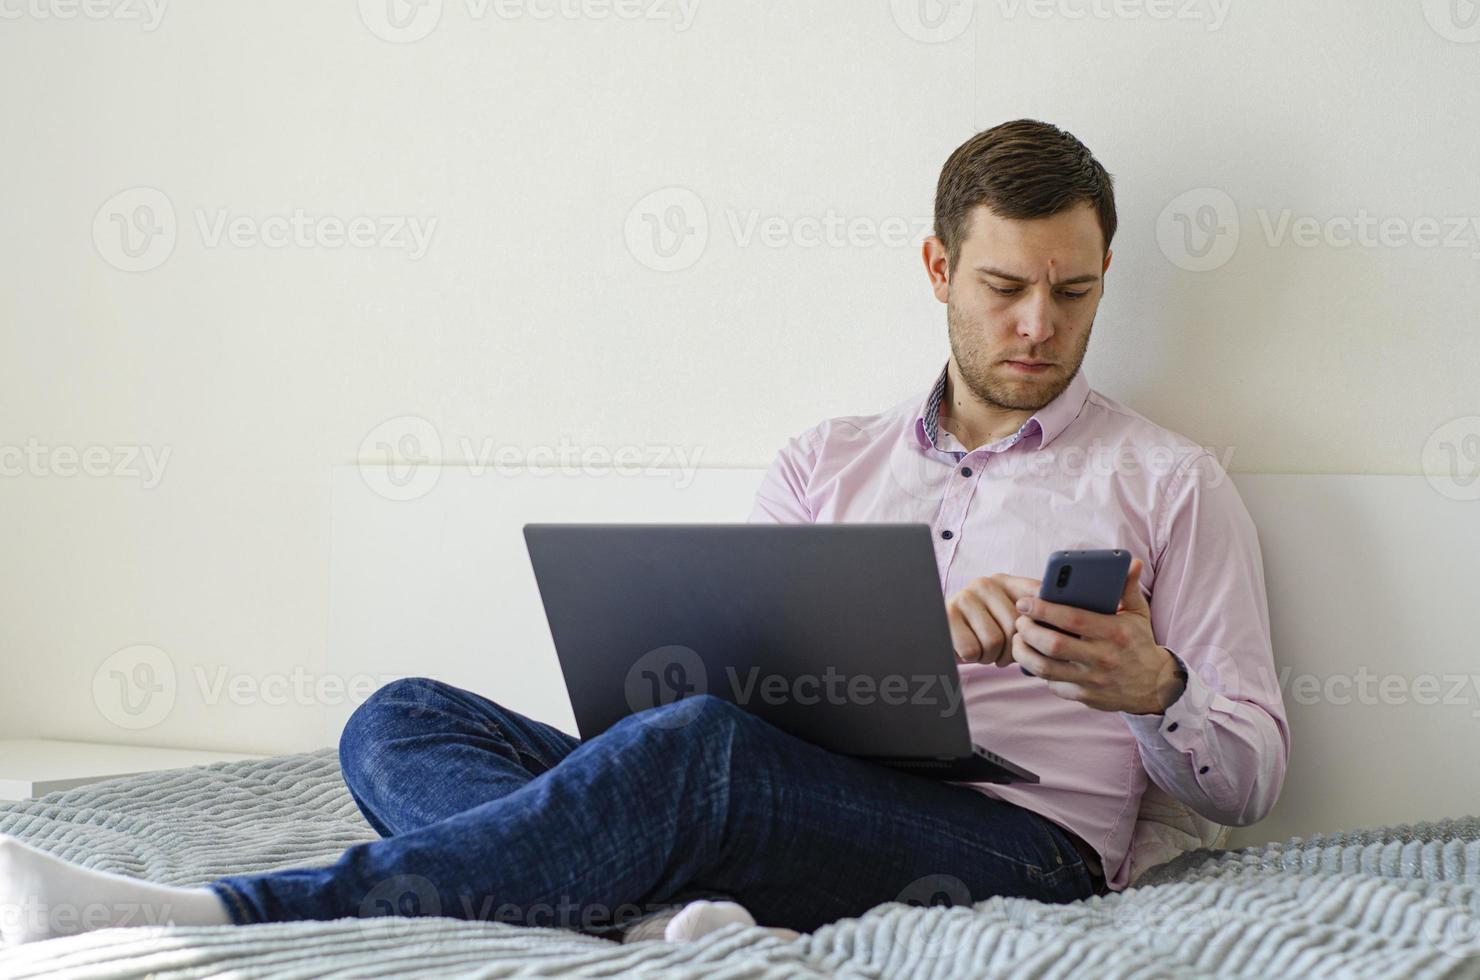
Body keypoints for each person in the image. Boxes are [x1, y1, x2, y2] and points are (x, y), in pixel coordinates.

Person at [0, 119, 1288, 947]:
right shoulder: (821, 461)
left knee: (696, 753)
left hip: (1024, 846)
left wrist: (1151, 688)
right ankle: (652, 906)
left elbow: (1250, 778)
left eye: (1075, 292)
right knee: (399, 716)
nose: (1038, 327)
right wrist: (906, 649)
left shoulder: (1170, 483)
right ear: (940, 272)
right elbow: (747, 682)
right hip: (790, 786)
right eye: (1006, 287)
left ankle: (232, 912)